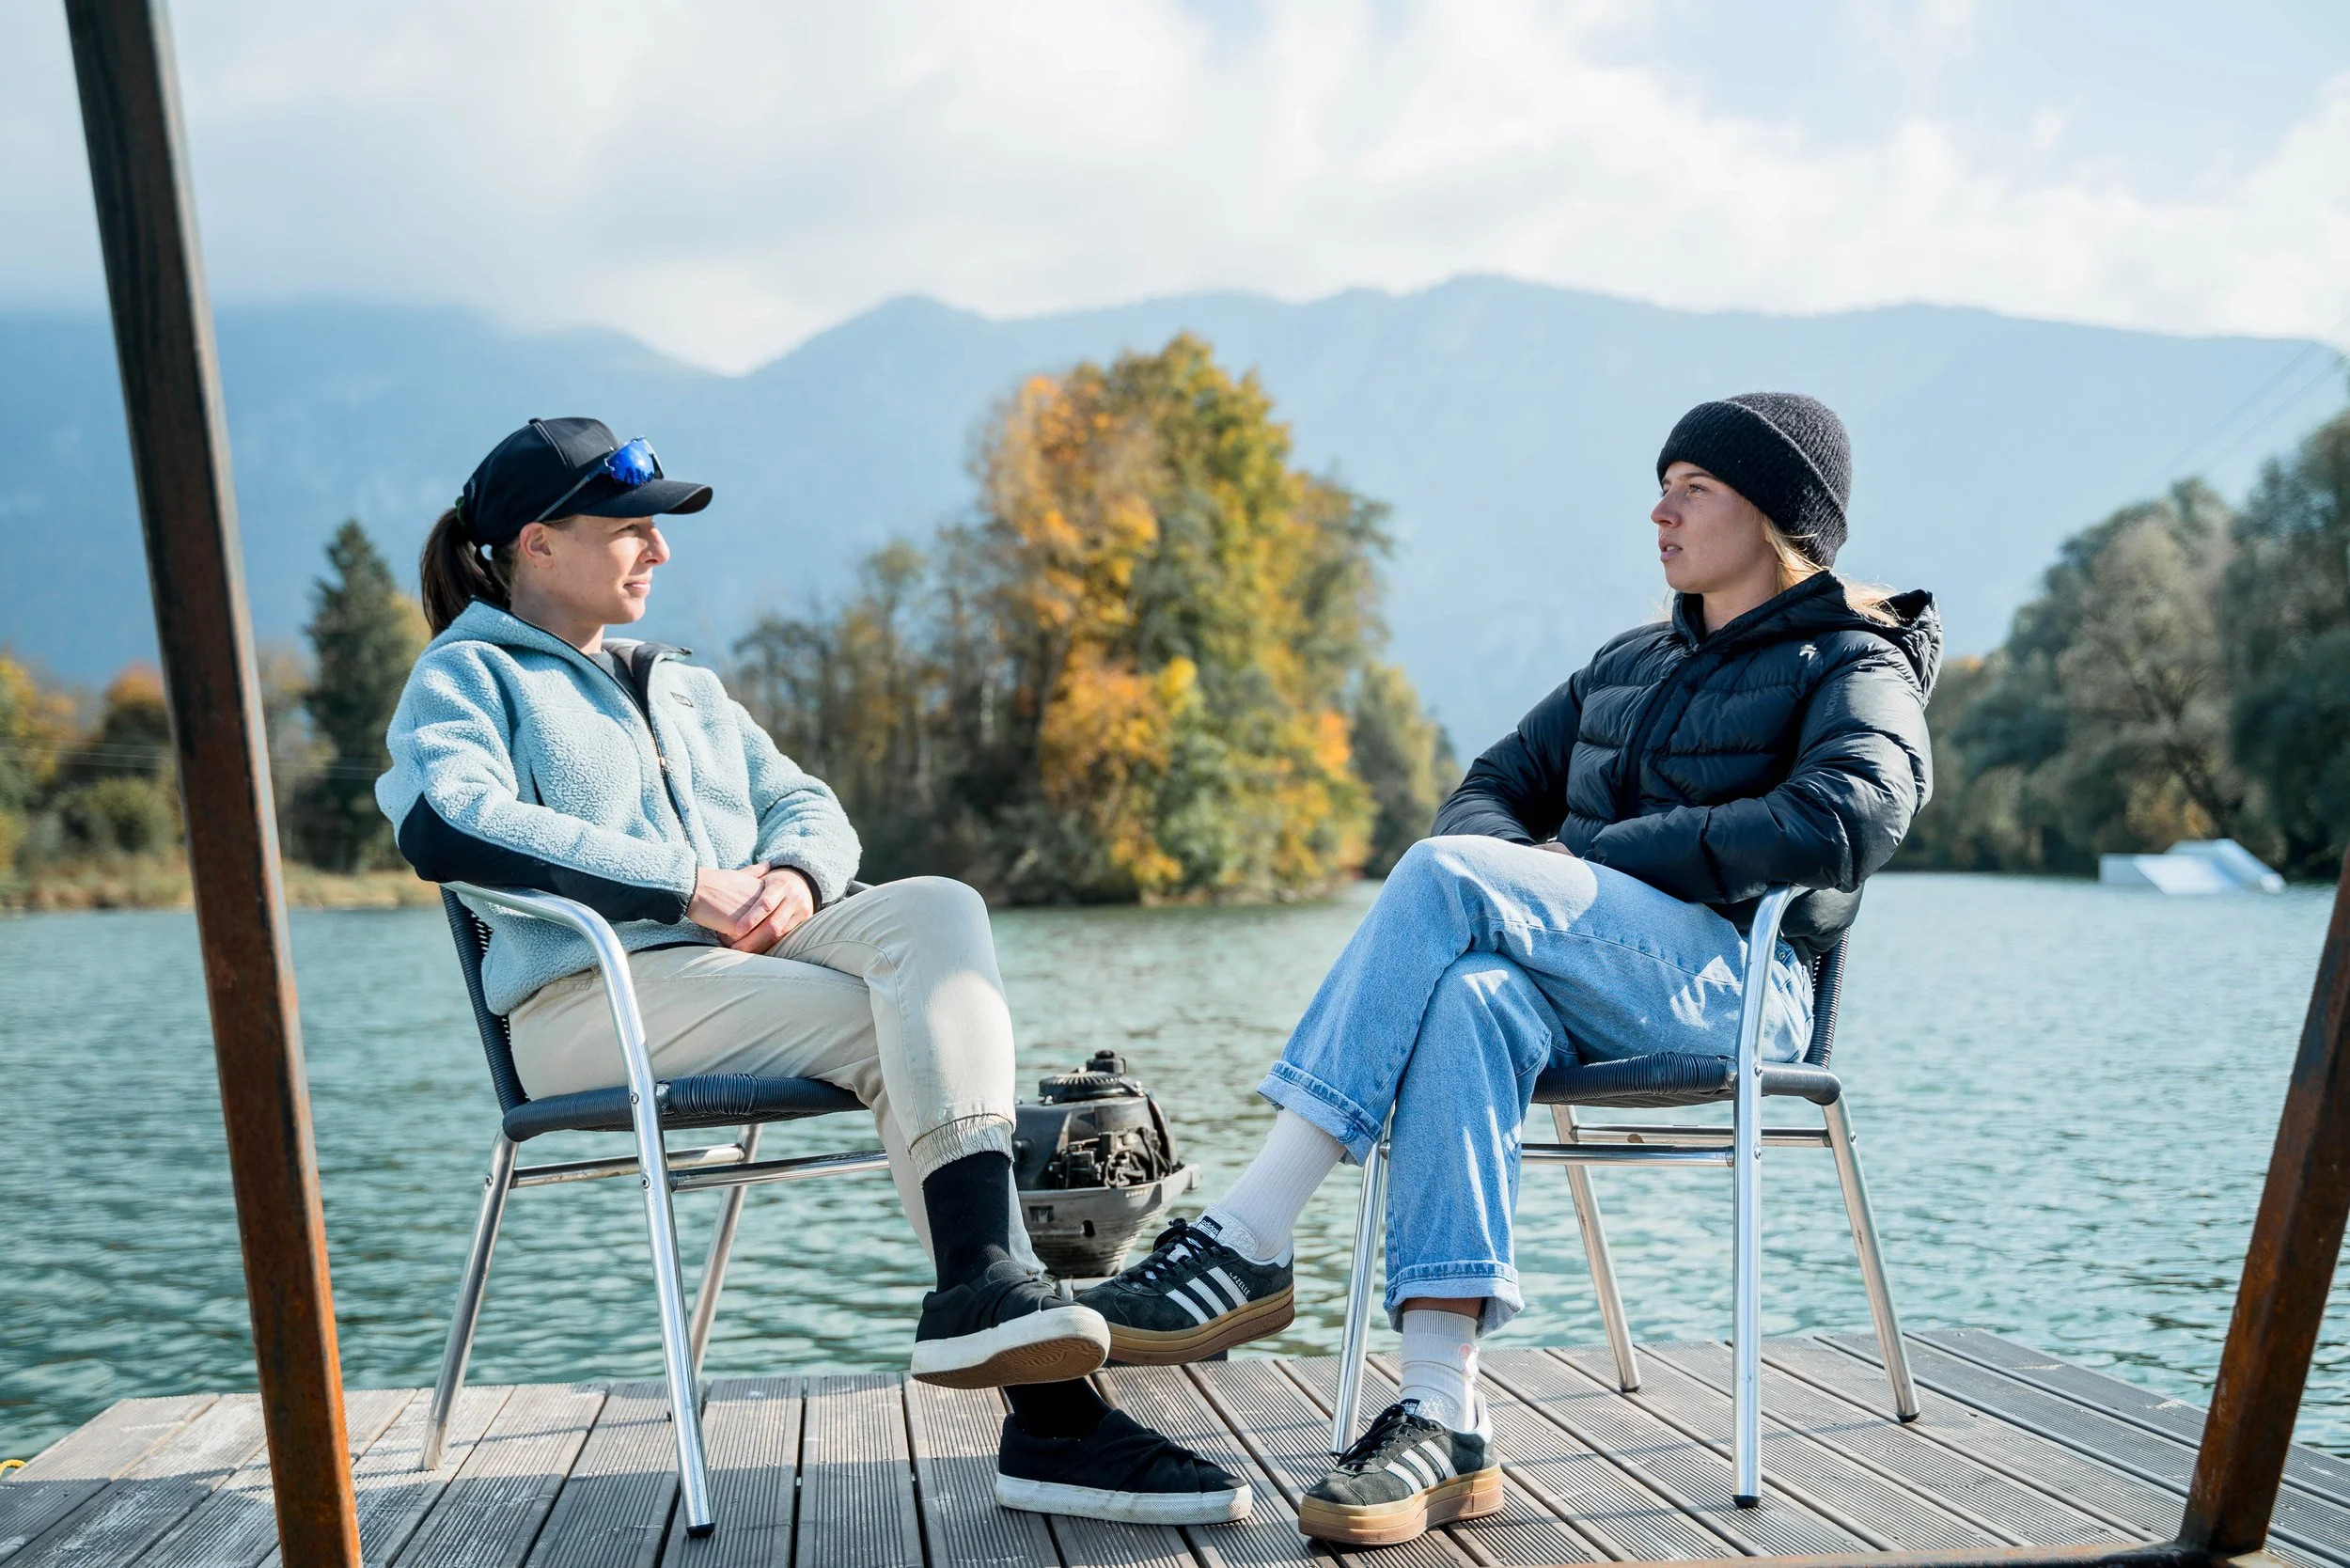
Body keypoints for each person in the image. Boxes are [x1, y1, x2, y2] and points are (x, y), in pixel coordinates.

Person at [1077, 393, 1938, 1547]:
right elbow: (1489, 787)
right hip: (1591, 974)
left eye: (1694, 490)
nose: (1660, 513)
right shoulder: (1629, 660)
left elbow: (1850, 814)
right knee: (1469, 995)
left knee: (1447, 877)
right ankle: (1446, 1412)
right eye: (1662, 486)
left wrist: (1590, 858)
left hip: (1737, 986)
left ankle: (1249, 1234)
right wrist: (1532, 866)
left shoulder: (1853, 658)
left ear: (1780, 520)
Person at [375, 416, 1248, 1527]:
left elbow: (806, 803)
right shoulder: (466, 675)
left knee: (940, 912)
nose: (659, 549)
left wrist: (794, 873)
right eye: (630, 527)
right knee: (895, 1026)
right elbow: (449, 820)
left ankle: (987, 1292)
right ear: (537, 543)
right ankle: (1054, 1414)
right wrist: (686, 884)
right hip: (591, 1006)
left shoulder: (677, 682)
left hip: (745, 974)